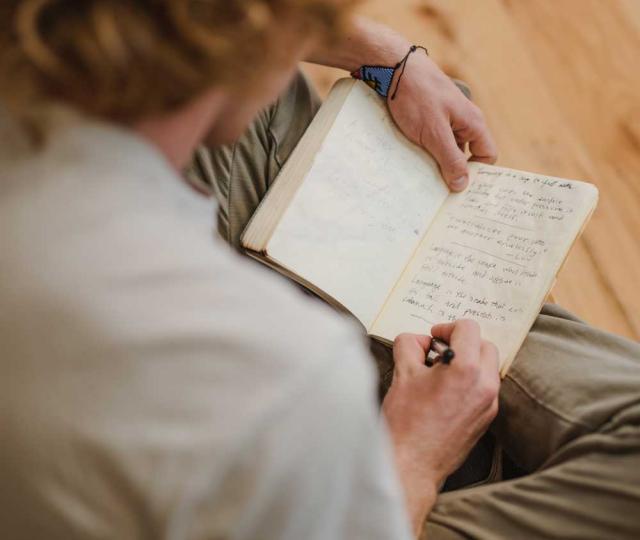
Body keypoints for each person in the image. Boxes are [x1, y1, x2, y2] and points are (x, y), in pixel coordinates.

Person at [0, 3, 638, 540]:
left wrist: (380, 53)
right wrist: (413, 455)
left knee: (288, 120)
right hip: (302, 454)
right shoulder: (297, 377)